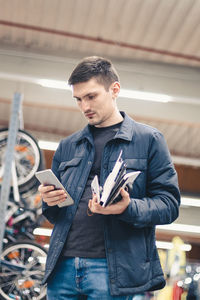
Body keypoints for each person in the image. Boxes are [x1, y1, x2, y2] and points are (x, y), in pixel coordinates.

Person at [39, 56, 180, 299]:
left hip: (111, 271)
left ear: (114, 90)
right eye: (78, 99)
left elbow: (169, 205)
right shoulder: (68, 146)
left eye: (91, 96)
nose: (85, 107)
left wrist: (127, 207)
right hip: (62, 266)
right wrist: (49, 200)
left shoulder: (149, 140)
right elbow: (54, 214)